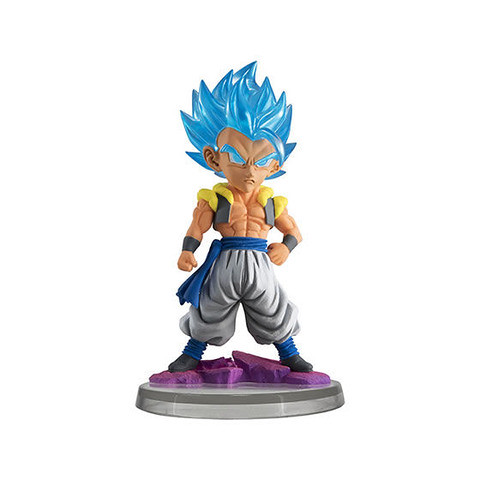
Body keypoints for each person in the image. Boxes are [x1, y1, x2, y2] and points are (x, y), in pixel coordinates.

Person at [169, 62, 313, 373]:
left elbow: (294, 232)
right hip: (224, 262)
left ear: (274, 165)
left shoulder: (271, 201)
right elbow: (197, 228)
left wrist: (286, 247)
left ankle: (288, 352)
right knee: (209, 307)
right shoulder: (215, 198)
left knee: (272, 307)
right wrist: (187, 251)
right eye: (236, 157)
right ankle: (193, 352)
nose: (249, 170)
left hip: (260, 262)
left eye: (261, 160)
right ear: (213, 159)